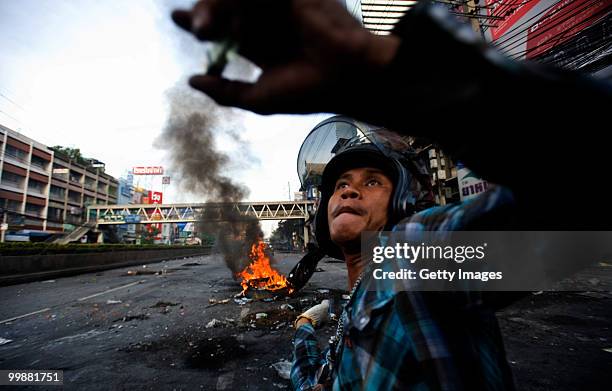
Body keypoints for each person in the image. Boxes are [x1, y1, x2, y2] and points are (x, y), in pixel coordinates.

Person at [171, 0, 612, 389]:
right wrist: (306, 327)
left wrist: (384, 75)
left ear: (402, 205)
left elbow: (587, 179)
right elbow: (318, 383)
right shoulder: (353, 311)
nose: (349, 190)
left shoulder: (420, 265)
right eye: (340, 184)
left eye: (372, 182)